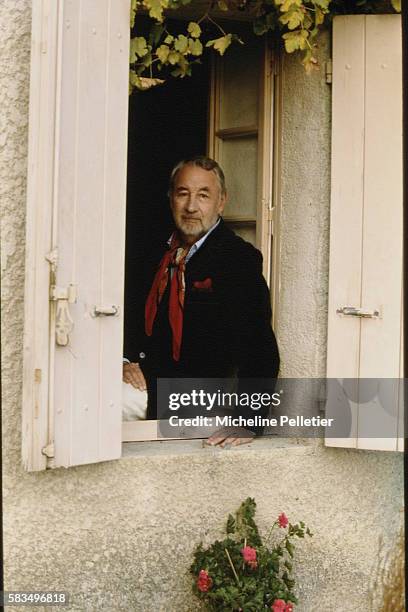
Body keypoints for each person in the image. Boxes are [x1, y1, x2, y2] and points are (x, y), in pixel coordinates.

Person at [123, 156, 280, 446]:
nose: (191, 206)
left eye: (203, 195)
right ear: (171, 198)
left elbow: (259, 346)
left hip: (191, 397)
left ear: (221, 202)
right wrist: (123, 361)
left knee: (90, 408)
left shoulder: (237, 259)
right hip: (141, 381)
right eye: (183, 194)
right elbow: (126, 316)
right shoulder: (152, 252)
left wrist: (248, 421)